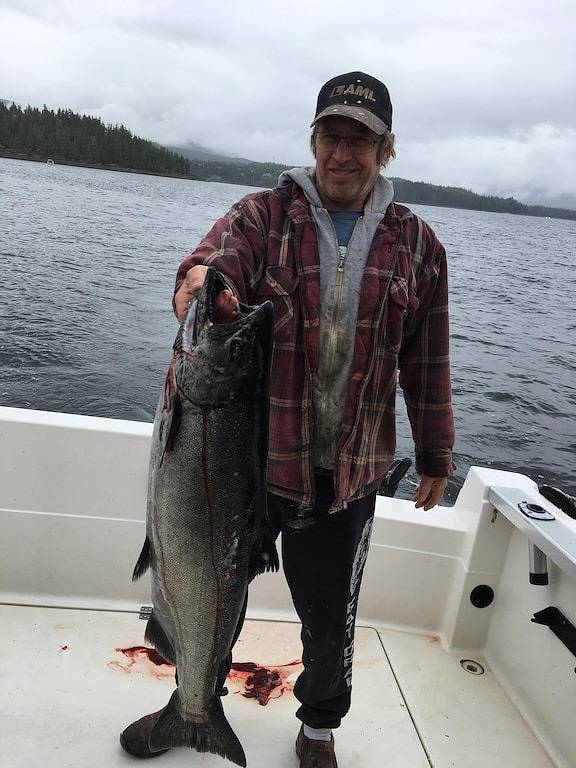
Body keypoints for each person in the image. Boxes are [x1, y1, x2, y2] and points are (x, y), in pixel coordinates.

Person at [120, 71, 455, 768]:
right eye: (331, 136)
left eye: (359, 140)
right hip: (252, 463)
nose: (342, 153)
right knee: (212, 588)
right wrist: (200, 286)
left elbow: (427, 363)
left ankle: (319, 731)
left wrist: (434, 455)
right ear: (313, 140)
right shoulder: (262, 217)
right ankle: (192, 703)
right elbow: (212, 262)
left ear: (385, 149)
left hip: (348, 476)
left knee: (329, 622)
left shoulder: (420, 247)